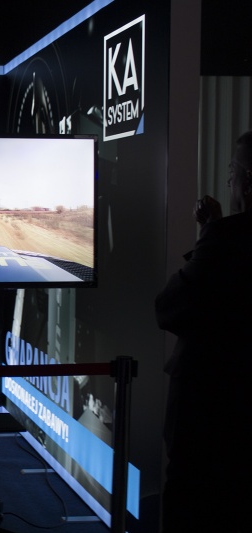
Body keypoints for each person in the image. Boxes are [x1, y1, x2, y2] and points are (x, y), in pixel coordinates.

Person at [155, 131, 252, 532]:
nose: (228, 179)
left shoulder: (226, 239)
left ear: (247, 180)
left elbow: (170, 307)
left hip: (207, 415)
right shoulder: (224, 236)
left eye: (232, 170)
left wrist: (211, 234)